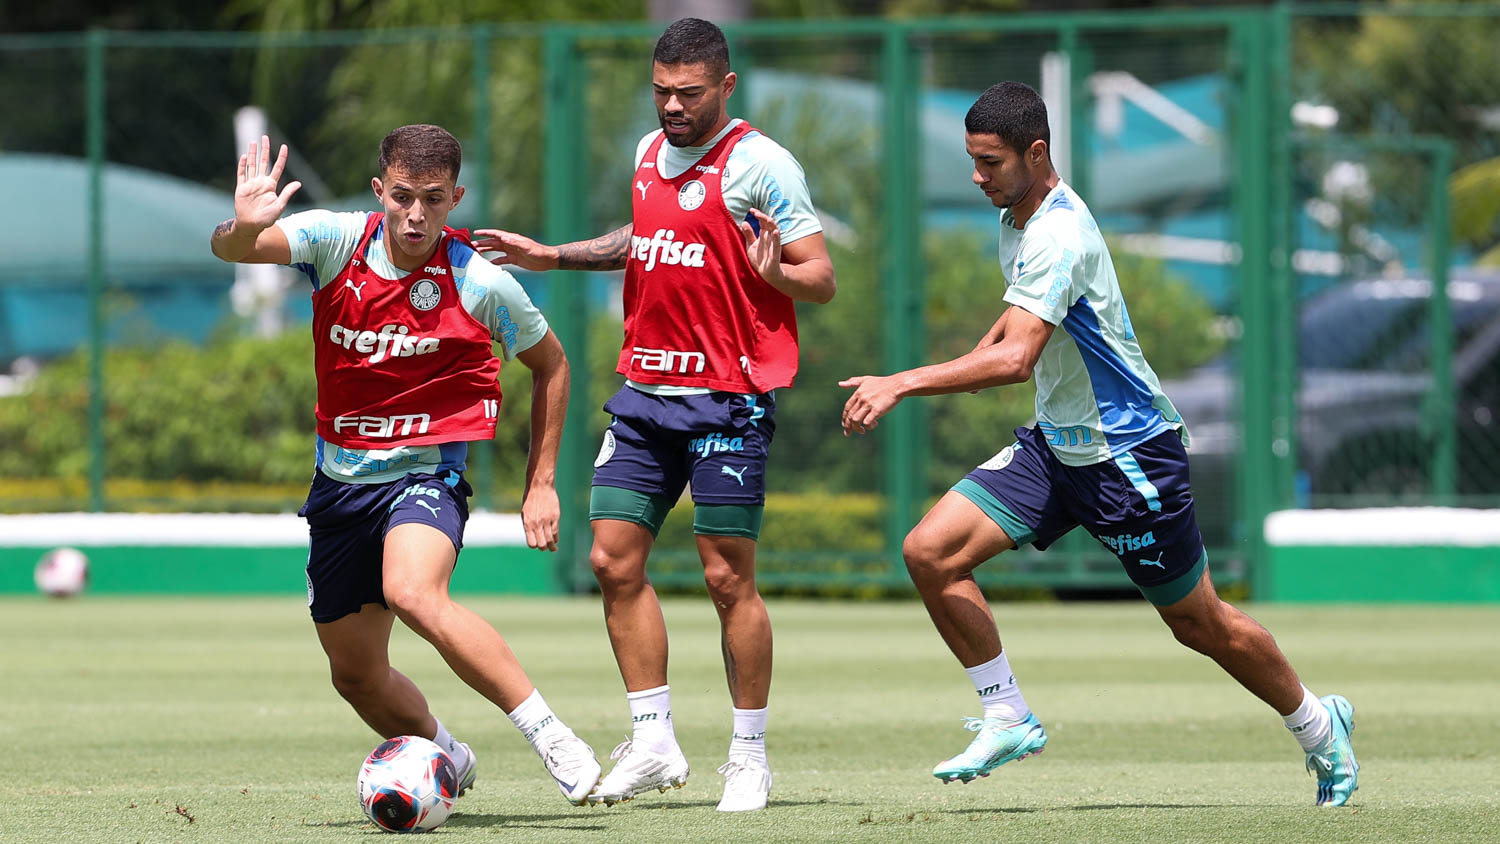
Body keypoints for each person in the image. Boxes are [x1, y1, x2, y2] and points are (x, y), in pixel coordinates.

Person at [838, 82, 1359, 808]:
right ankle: (1007, 714)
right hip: (1057, 450)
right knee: (931, 551)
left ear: (1037, 152)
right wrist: (954, 359)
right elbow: (1015, 323)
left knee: (1199, 624)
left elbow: (1016, 359)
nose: (977, 177)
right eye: (973, 161)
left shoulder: (1057, 233)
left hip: (1129, 460)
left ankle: (1317, 724)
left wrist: (902, 381)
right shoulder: (1017, 217)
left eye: (990, 162)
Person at [474, 18, 836, 813]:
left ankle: (748, 755)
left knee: (724, 577)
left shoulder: (762, 164)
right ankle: (654, 738)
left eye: (689, 93)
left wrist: (779, 272)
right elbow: (647, 239)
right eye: (662, 91)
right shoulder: (647, 151)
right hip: (646, 392)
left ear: (726, 87)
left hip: (728, 397)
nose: (673, 106)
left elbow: (821, 276)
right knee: (612, 561)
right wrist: (555, 255)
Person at [210, 125, 603, 808]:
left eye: (431, 200)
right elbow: (238, 249)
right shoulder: (336, 241)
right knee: (354, 675)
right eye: (401, 197)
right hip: (339, 485)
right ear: (379, 191)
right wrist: (240, 227)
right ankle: (447, 753)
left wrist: (541, 483)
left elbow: (553, 364)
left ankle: (552, 737)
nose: (415, 215)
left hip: (425, 474)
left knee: (414, 592)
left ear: (455, 197)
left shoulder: (479, 280)